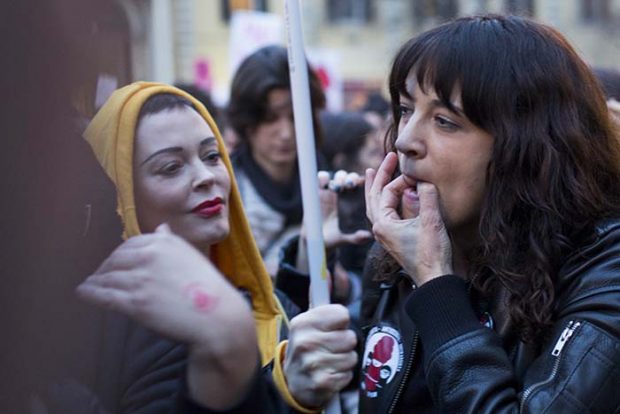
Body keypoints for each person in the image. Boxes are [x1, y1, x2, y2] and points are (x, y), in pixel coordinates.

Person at [361, 14, 620, 413]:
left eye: (445, 122)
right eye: (406, 109)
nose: (406, 139)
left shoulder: (605, 269)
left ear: (527, 147)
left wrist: (435, 285)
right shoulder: (394, 253)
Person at [76, 82, 357, 413]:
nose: (206, 176)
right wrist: (286, 389)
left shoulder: (261, 301)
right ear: (122, 194)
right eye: (171, 167)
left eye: (212, 155)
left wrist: (308, 260)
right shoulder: (127, 325)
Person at [227, 45, 326, 276]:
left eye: (295, 116)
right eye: (271, 118)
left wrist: (344, 284)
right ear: (247, 121)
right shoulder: (225, 190)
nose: (286, 133)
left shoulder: (330, 184)